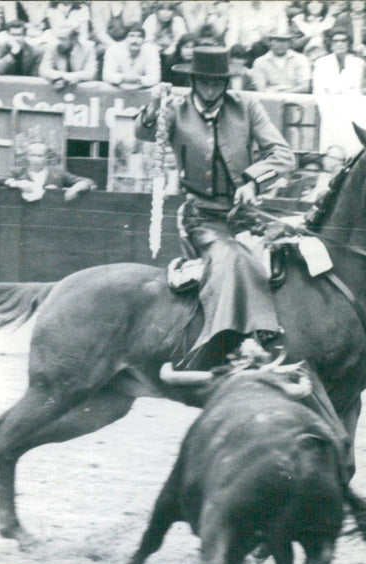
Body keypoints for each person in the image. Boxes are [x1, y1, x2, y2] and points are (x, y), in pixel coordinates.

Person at [135, 46, 295, 370]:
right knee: (234, 257)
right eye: (204, 82)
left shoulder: (247, 106)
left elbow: (283, 154)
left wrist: (253, 181)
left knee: (288, 256)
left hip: (244, 215)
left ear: (226, 82)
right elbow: (143, 132)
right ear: (194, 81)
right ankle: (235, 344)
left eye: (217, 82)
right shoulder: (176, 110)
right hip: (202, 218)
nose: (211, 90)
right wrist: (153, 105)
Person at [1, 141, 96, 202]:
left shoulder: (57, 173)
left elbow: (88, 182)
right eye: (33, 155)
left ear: (46, 158)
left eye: (40, 156)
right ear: (27, 157)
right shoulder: (19, 172)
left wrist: (74, 189)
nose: (36, 159)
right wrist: (18, 184)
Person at [251, 26, 312, 94]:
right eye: (277, 40)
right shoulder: (260, 62)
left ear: (289, 43)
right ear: (270, 42)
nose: (280, 44)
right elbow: (260, 89)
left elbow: (305, 87)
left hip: (295, 99)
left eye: (284, 41)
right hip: (269, 99)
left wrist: (283, 93)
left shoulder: (301, 59)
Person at [101, 23, 161, 90]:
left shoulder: (151, 50)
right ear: (125, 38)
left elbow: (155, 78)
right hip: (118, 87)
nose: (135, 40)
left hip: (142, 87)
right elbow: (107, 75)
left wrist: (138, 79)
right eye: (131, 36)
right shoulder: (113, 49)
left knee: (159, 88)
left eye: (139, 36)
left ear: (144, 40)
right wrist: (124, 78)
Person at [39, 25, 96, 90]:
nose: (58, 42)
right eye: (58, 38)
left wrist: (71, 77)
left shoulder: (88, 48)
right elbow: (43, 70)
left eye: (63, 39)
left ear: (74, 40)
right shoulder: (52, 46)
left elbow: (91, 73)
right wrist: (62, 75)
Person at [312, 30, 365, 95]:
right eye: (335, 41)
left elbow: (357, 88)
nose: (340, 44)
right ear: (330, 44)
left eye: (344, 41)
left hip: (351, 100)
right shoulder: (321, 63)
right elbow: (318, 89)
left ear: (348, 43)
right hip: (327, 101)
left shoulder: (358, 63)